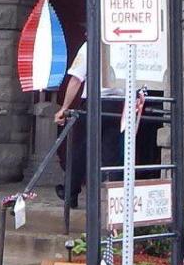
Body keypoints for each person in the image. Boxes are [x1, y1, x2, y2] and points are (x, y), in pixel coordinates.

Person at [54, 39, 160, 209]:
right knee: (114, 152)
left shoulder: (91, 45)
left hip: (95, 102)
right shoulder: (128, 46)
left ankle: (71, 192)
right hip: (120, 104)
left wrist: (64, 108)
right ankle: (115, 198)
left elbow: (76, 79)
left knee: (81, 148)